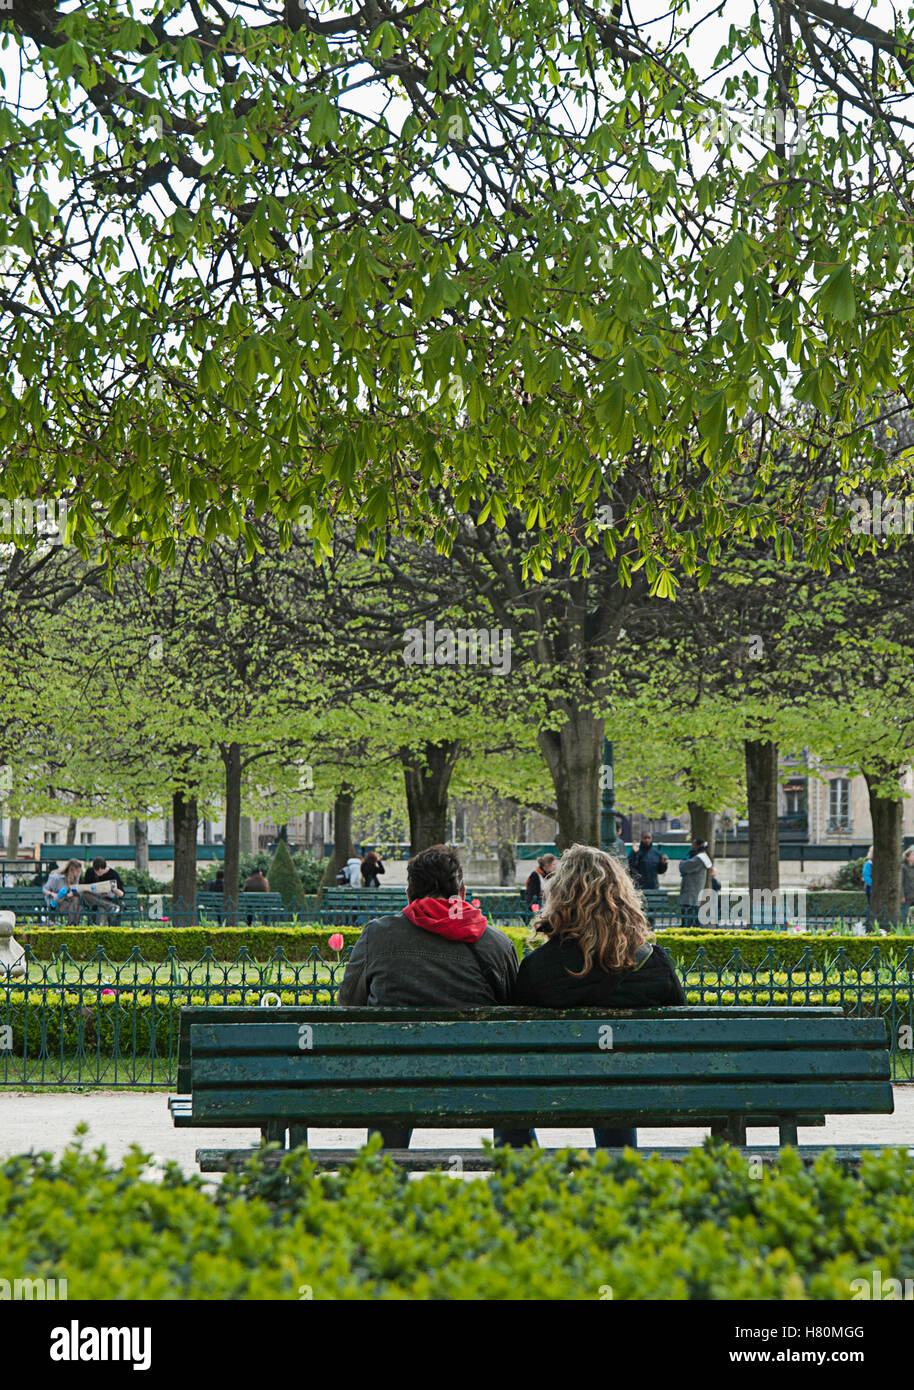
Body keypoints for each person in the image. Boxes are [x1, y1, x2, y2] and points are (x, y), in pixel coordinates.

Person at [339, 843, 524, 1149]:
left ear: (409, 893)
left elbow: (350, 1004)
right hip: (484, 1085)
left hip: (395, 1082)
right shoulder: (497, 944)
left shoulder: (377, 936)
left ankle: (383, 1184)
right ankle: (519, 1183)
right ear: (461, 894)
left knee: (392, 1082)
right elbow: (515, 1013)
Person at [513, 843, 685, 1149]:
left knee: (509, 1100)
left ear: (559, 896)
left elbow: (515, 1045)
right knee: (613, 1084)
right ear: (621, 896)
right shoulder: (653, 964)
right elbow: (682, 1032)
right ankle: (618, 1171)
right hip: (637, 1092)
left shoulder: (536, 968)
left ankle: (520, 1176)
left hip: (549, 1094)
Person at [679, 838, 713, 926]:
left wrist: (682, 862)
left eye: (693, 844)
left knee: (689, 918)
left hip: (691, 892)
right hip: (692, 891)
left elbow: (683, 867)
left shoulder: (699, 858)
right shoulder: (699, 856)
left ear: (697, 845)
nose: (692, 846)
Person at [81, 857, 126, 924]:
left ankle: (100, 929)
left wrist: (115, 890)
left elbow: (122, 894)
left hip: (107, 899)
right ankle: (109, 906)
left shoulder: (113, 874)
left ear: (104, 868)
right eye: (95, 871)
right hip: (93, 899)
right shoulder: (90, 872)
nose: (97, 873)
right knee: (85, 894)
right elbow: (85, 887)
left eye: (99, 871)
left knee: (102, 909)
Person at [43, 859, 83, 924]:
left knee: (78, 905)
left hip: (68, 901)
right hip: (56, 903)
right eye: (78, 871)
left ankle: (72, 925)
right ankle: (72, 925)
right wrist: (53, 894)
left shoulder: (76, 878)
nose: (79, 873)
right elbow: (45, 889)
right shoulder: (56, 878)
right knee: (75, 905)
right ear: (72, 870)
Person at [902, 849, 914, 924]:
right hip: (907, 895)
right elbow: (901, 883)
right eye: (912, 855)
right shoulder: (903, 867)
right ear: (907, 857)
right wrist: (902, 896)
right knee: (905, 914)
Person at [862, 847, 873, 920]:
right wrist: (873, 884)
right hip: (871, 887)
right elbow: (866, 876)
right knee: (871, 906)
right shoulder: (868, 864)